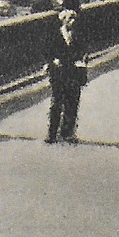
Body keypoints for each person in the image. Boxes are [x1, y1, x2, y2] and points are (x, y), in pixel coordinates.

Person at [45, 8, 87, 144]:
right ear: (63, 21)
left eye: (74, 19)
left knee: (72, 103)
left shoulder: (78, 35)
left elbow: (84, 51)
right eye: (70, 19)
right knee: (56, 104)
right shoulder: (54, 35)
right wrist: (53, 61)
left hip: (73, 73)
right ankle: (52, 134)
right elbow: (47, 52)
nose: (73, 22)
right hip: (59, 73)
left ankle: (67, 133)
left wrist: (82, 60)